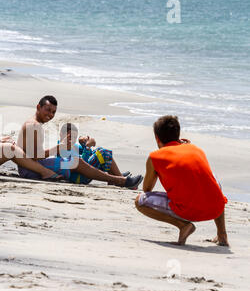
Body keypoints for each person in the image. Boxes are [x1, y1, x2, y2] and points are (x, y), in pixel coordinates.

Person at [135, 115, 228, 246]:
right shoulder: (196, 149)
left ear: (157, 137)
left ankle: (183, 226)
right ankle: (222, 234)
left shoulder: (154, 157)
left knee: (140, 200)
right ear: (178, 134)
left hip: (187, 211)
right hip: (215, 208)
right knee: (212, 179)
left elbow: (147, 189)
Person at [16, 95, 143, 189]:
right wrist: (59, 147)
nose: (50, 115)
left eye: (53, 112)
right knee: (76, 162)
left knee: (77, 161)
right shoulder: (34, 125)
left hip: (31, 166)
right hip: (31, 170)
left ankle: (118, 178)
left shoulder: (34, 124)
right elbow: (35, 156)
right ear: (39, 107)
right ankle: (120, 180)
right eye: (47, 110)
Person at [57, 123, 133, 184]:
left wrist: (83, 143)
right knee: (102, 153)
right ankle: (120, 179)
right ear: (61, 134)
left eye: (74, 137)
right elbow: (83, 166)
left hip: (84, 173)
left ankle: (115, 176)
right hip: (79, 178)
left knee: (99, 150)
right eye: (69, 136)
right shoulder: (61, 148)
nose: (72, 139)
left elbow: (90, 154)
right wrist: (87, 147)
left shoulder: (73, 145)